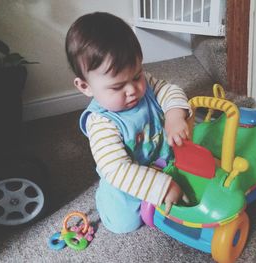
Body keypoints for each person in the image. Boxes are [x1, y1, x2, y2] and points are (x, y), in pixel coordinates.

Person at [65, 12, 191, 234]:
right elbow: (117, 169)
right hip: (127, 176)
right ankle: (105, 199)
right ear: (86, 87)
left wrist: (174, 115)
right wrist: (163, 187)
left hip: (162, 157)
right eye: (117, 87)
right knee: (124, 224)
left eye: (137, 76)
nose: (133, 90)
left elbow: (169, 89)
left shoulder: (145, 84)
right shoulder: (101, 123)